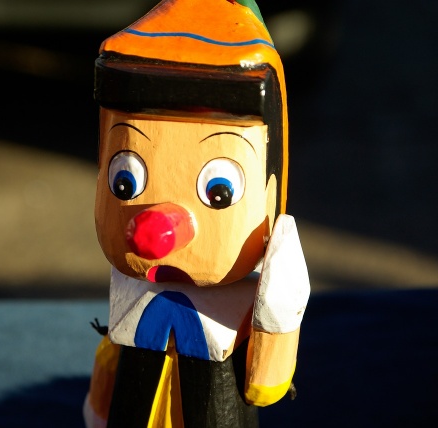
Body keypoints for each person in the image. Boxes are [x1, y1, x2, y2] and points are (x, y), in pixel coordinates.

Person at [83, 1, 310, 426]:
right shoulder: (129, 292)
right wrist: (98, 407)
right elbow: (111, 361)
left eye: (220, 192)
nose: (156, 226)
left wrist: (278, 320)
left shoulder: (243, 304)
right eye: (124, 182)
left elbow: (263, 385)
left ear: (270, 191)